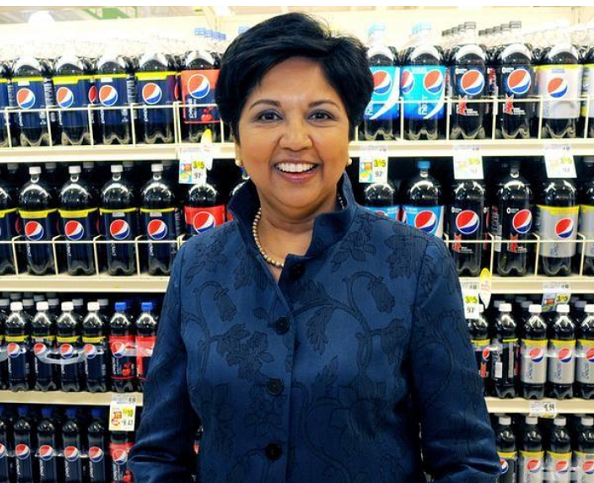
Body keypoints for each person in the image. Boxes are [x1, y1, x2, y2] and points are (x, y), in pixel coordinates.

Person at [128, 12, 500, 482]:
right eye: (267, 115)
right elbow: (159, 452)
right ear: (237, 142)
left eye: (321, 115)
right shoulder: (198, 264)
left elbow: (466, 461)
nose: (296, 140)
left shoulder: (414, 262)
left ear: (351, 136)